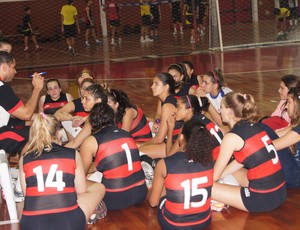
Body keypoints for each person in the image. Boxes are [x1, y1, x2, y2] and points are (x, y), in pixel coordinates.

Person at [19, 113, 106, 229]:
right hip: (69, 223)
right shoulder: (73, 154)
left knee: (20, 204)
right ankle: (88, 212)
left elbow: (27, 194)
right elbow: (82, 191)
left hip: (33, 225)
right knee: (98, 187)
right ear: (59, 133)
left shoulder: (24, 159)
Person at [212, 92, 286, 212]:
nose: (219, 111)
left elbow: (214, 176)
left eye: (221, 107)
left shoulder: (231, 137)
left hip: (262, 198)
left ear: (229, 111)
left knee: (204, 186)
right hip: (280, 192)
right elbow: (242, 160)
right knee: (233, 171)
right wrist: (222, 174)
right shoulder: (256, 127)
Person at [79, 103, 147, 210]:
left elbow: (81, 176)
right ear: (113, 118)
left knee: (76, 181)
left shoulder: (91, 141)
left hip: (114, 199)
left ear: (92, 121)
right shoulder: (126, 134)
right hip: (141, 193)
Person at [148, 119, 214, 229]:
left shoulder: (165, 163)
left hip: (174, 225)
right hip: (204, 221)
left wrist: (148, 191)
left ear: (182, 138)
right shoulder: (209, 161)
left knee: (160, 191)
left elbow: (153, 203)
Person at [0, 51, 44, 155]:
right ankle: (26, 168)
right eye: (13, 67)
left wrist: (37, 117)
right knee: (37, 134)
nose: (15, 72)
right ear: (5, 67)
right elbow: (26, 114)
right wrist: (37, 88)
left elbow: (13, 114)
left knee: (29, 125)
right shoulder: (2, 89)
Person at [139, 73, 183, 159]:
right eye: (153, 83)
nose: (152, 87)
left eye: (156, 84)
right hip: (174, 141)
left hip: (175, 145)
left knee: (137, 153)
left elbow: (159, 139)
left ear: (166, 87)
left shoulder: (167, 105)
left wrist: (142, 145)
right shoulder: (169, 99)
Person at [167, 95, 223, 161]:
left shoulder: (190, 126)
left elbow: (169, 156)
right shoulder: (200, 118)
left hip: (215, 163)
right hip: (222, 158)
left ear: (189, 110)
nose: (175, 110)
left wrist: (170, 130)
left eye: (179, 107)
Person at [64, 83, 108, 149]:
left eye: (87, 99)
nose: (82, 102)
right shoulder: (108, 111)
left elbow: (74, 144)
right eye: (83, 98)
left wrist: (57, 153)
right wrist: (83, 119)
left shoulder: (92, 119)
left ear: (98, 101)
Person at [272, 86, 300, 188]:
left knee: (268, 151)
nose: (286, 107)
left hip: (296, 178)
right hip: (294, 172)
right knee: (265, 130)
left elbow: (272, 146)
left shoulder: (298, 131)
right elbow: (274, 134)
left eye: (289, 102)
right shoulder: (295, 125)